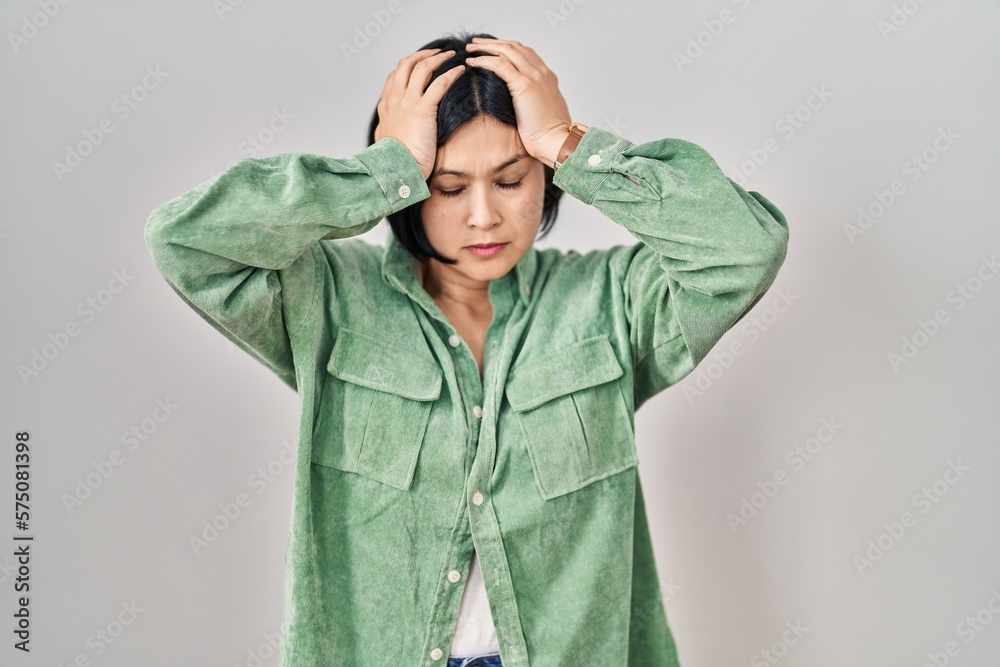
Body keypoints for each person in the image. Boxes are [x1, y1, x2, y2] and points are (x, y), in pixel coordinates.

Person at [144, 31, 789, 667]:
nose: (484, 216)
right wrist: (384, 169)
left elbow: (744, 248)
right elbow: (189, 241)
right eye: (449, 189)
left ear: (544, 178)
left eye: (510, 180)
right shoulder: (332, 301)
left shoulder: (608, 303)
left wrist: (571, 146)